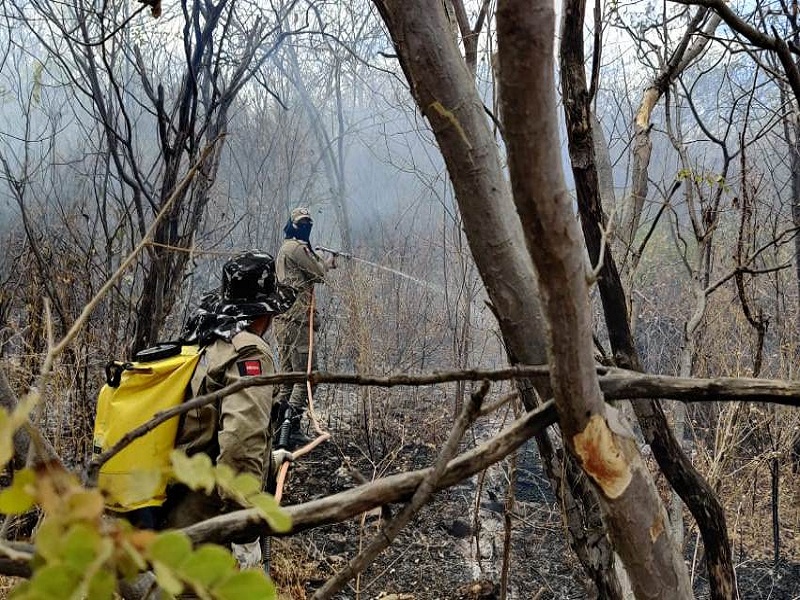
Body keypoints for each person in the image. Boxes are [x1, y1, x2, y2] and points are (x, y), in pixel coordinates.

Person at [161, 250, 296, 568]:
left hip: (172, 519)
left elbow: (203, 427)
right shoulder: (248, 352)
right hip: (209, 533)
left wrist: (270, 463)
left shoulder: (204, 338)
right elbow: (239, 444)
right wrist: (244, 534)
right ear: (264, 313)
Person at [274, 207, 335, 449]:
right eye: (302, 223)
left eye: (309, 222)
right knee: (308, 377)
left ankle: (279, 431)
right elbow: (319, 273)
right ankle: (291, 430)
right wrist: (325, 261)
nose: (306, 226)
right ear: (292, 225)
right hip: (297, 322)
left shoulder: (286, 249)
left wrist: (317, 257)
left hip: (284, 321)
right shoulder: (296, 248)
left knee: (290, 379)